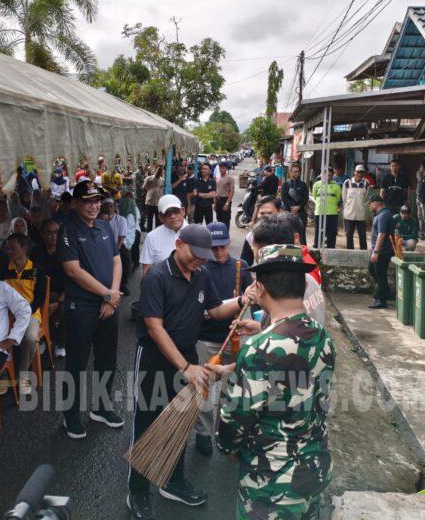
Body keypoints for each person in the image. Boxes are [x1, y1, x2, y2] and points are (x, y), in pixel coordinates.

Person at [127, 225, 241, 519]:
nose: (200, 261)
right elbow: (154, 327)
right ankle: (137, 491)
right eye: (195, 255)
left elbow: (215, 310)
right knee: (148, 423)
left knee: (180, 421)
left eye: (204, 257)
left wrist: (242, 301)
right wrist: (186, 367)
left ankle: (172, 480)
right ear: (178, 244)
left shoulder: (202, 275)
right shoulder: (157, 277)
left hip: (188, 354)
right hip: (155, 359)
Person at [214, 244, 335, 520]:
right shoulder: (320, 335)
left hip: (272, 484)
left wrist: (227, 448)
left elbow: (234, 423)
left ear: (261, 287)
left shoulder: (259, 348)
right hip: (314, 468)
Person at [56, 180, 123, 438]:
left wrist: (112, 297)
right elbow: (73, 270)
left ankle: (102, 408)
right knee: (76, 363)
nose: (94, 206)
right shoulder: (68, 230)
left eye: (97, 201)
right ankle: (70, 415)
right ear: (75, 203)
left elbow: (116, 261)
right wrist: (107, 294)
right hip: (81, 307)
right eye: (87, 201)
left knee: (107, 360)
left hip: (108, 305)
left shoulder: (105, 227)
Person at [194, 222, 251, 456]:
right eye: (214, 247)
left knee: (234, 390)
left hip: (235, 340)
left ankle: (229, 431)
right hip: (205, 339)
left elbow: (252, 301)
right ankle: (203, 432)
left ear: (229, 243)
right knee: (203, 389)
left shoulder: (242, 267)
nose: (218, 252)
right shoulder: (199, 269)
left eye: (222, 246)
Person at [4, 233, 46, 394]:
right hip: (6, 315)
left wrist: (24, 313)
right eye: (7, 248)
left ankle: (22, 376)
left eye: (12, 248)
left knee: (29, 339)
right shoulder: (4, 268)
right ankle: (3, 374)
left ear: (24, 248)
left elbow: (40, 297)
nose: (9, 251)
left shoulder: (36, 270)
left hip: (30, 314)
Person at [30, 218, 67, 358]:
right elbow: (32, 279)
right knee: (35, 308)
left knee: (65, 309)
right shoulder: (36, 253)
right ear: (42, 234)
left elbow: (71, 281)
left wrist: (58, 302)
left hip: (62, 294)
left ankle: (60, 343)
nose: (53, 236)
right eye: (49, 233)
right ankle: (43, 339)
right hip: (40, 293)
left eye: (57, 232)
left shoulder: (66, 252)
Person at [139, 194, 186, 277]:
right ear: (161, 217)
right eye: (167, 213)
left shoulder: (195, 233)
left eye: (175, 211)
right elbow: (146, 272)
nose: (173, 216)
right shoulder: (152, 237)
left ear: (183, 211)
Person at [367, 195, 395, 309]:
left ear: (376, 203)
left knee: (380, 274)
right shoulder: (382, 214)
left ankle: (381, 299)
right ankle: (386, 292)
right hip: (380, 250)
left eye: (370, 204)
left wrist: (376, 251)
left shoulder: (383, 215)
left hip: (382, 251)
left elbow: (381, 234)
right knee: (372, 269)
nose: (369, 207)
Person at [99, 198, 131, 295]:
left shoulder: (121, 220)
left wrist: (115, 251)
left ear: (115, 208)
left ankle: (123, 284)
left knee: (125, 257)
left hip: (117, 246)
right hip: (101, 246)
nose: (109, 208)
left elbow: (121, 238)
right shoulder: (98, 219)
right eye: (106, 206)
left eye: (111, 206)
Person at [240, 195, 281, 266]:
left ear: (280, 212)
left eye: (269, 213)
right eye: (262, 213)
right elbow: (244, 265)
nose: (265, 217)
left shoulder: (288, 235)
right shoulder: (251, 237)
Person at [312, 167, 342, 249]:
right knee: (318, 233)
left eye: (330, 175)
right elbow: (315, 196)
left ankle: (331, 250)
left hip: (332, 213)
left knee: (331, 234)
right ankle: (317, 250)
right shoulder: (317, 184)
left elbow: (338, 198)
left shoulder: (336, 185)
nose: (328, 177)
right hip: (319, 212)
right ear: (323, 175)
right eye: (327, 175)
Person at [342, 165, 370, 250]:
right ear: (354, 172)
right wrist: (347, 208)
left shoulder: (366, 183)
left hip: (361, 215)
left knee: (362, 236)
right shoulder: (347, 182)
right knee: (349, 235)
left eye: (362, 172)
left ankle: (363, 253)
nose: (360, 174)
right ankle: (350, 253)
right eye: (358, 172)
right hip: (349, 214)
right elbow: (344, 197)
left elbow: (366, 198)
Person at [280, 163, 309, 233]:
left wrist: (299, 207)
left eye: (298, 171)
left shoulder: (303, 184)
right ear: (290, 172)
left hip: (301, 213)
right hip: (288, 212)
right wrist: (292, 207)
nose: (297, 173)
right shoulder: (285, 184)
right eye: (295, 171)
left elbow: (305, 198)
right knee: (288, 234)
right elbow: (284, 197)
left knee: (301, 235)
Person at [142, 166, 164, 231]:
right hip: (150, 201)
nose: (159, 172)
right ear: (156, 171)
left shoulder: (162, 180)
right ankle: (149, 233)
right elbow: (143, 187)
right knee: (149, 219)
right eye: (158, 171)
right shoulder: (149, 178)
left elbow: (162, 188)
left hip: (158, 202)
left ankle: (157, 232)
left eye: (161, 171)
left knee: (158, 219)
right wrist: (149, 190)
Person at [215, 162, 235, 228]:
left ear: (226, 168)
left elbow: (232, 191)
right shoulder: (218, 178)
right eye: (220, 168)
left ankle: (226, 235)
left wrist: (227, 203)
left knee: (225, 219)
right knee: (219, 218)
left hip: (225, 200)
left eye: (223, 168)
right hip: (218, 200)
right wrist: (215, 203)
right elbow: (216, 190)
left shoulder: (230, 178)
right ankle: (221, 234)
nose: (221, 169)